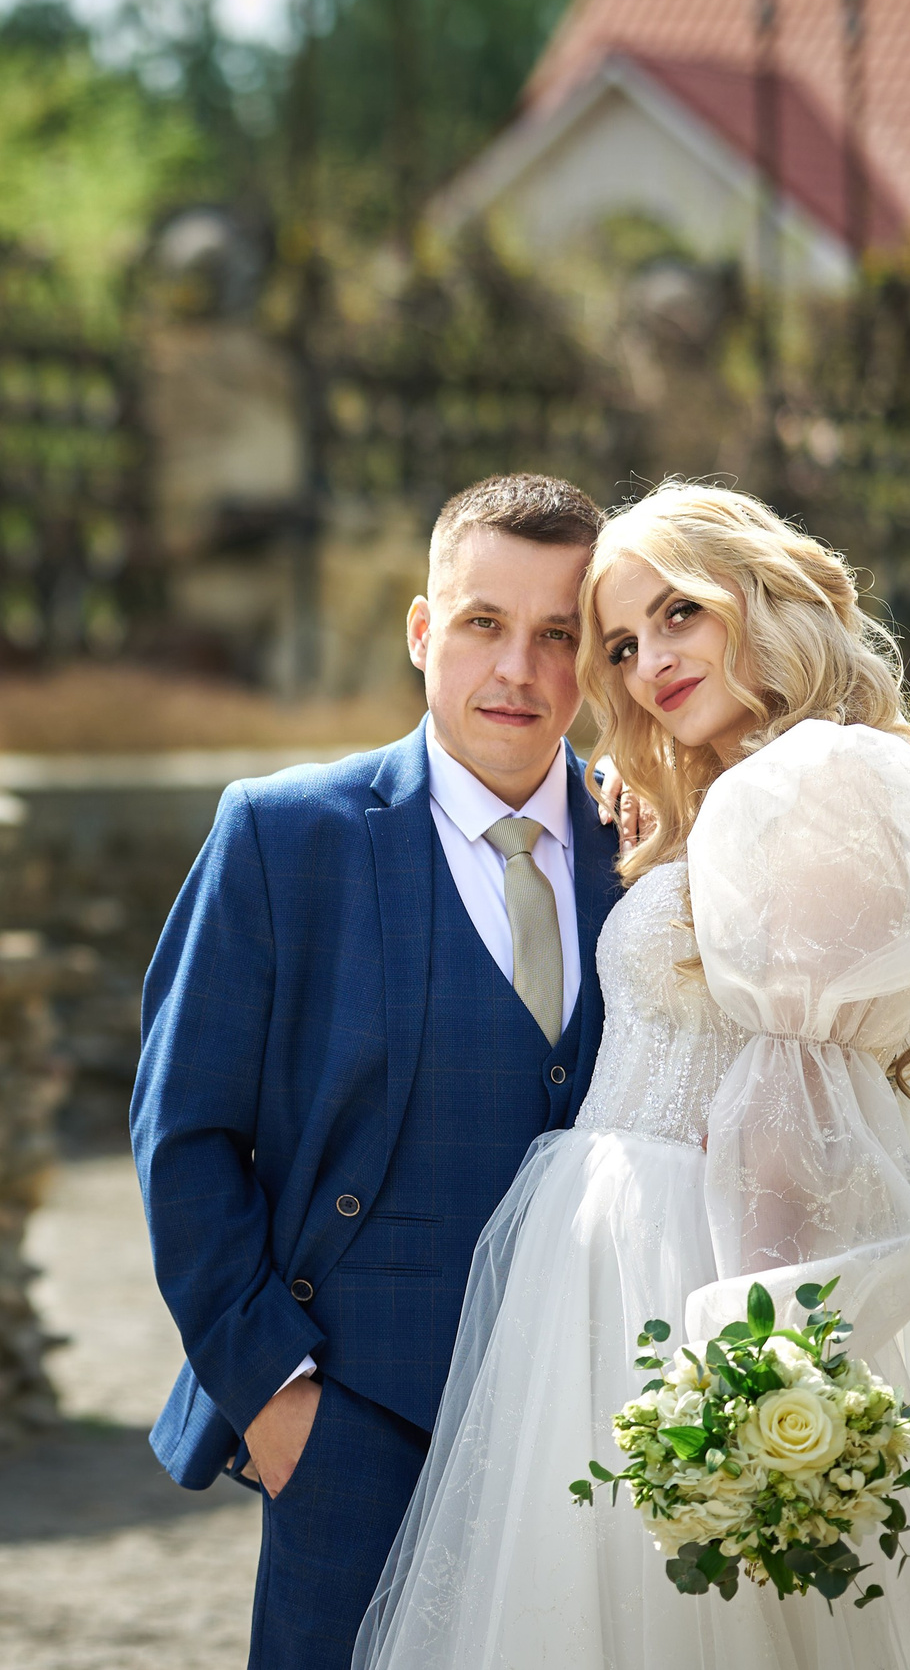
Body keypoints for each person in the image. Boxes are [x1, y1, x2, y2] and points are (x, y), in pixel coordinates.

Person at [351, 482, 910, 1669]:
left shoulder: (812, 782)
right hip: (611, 1247)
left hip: (690, 1268)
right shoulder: (736, 786)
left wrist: (749, 1357)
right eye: (618, 642)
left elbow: (798, 1103)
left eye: (679, 616)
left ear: (759, 601)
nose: (647, 661)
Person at [132, 473, 625, 1670]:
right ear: (420, 632)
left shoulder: (650, 845)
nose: (518, 669)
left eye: (558, 634)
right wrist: (274, 1394)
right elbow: (182, 1130)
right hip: (355, 1419)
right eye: (481, 624)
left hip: (601, 1424)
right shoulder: (282, 834)